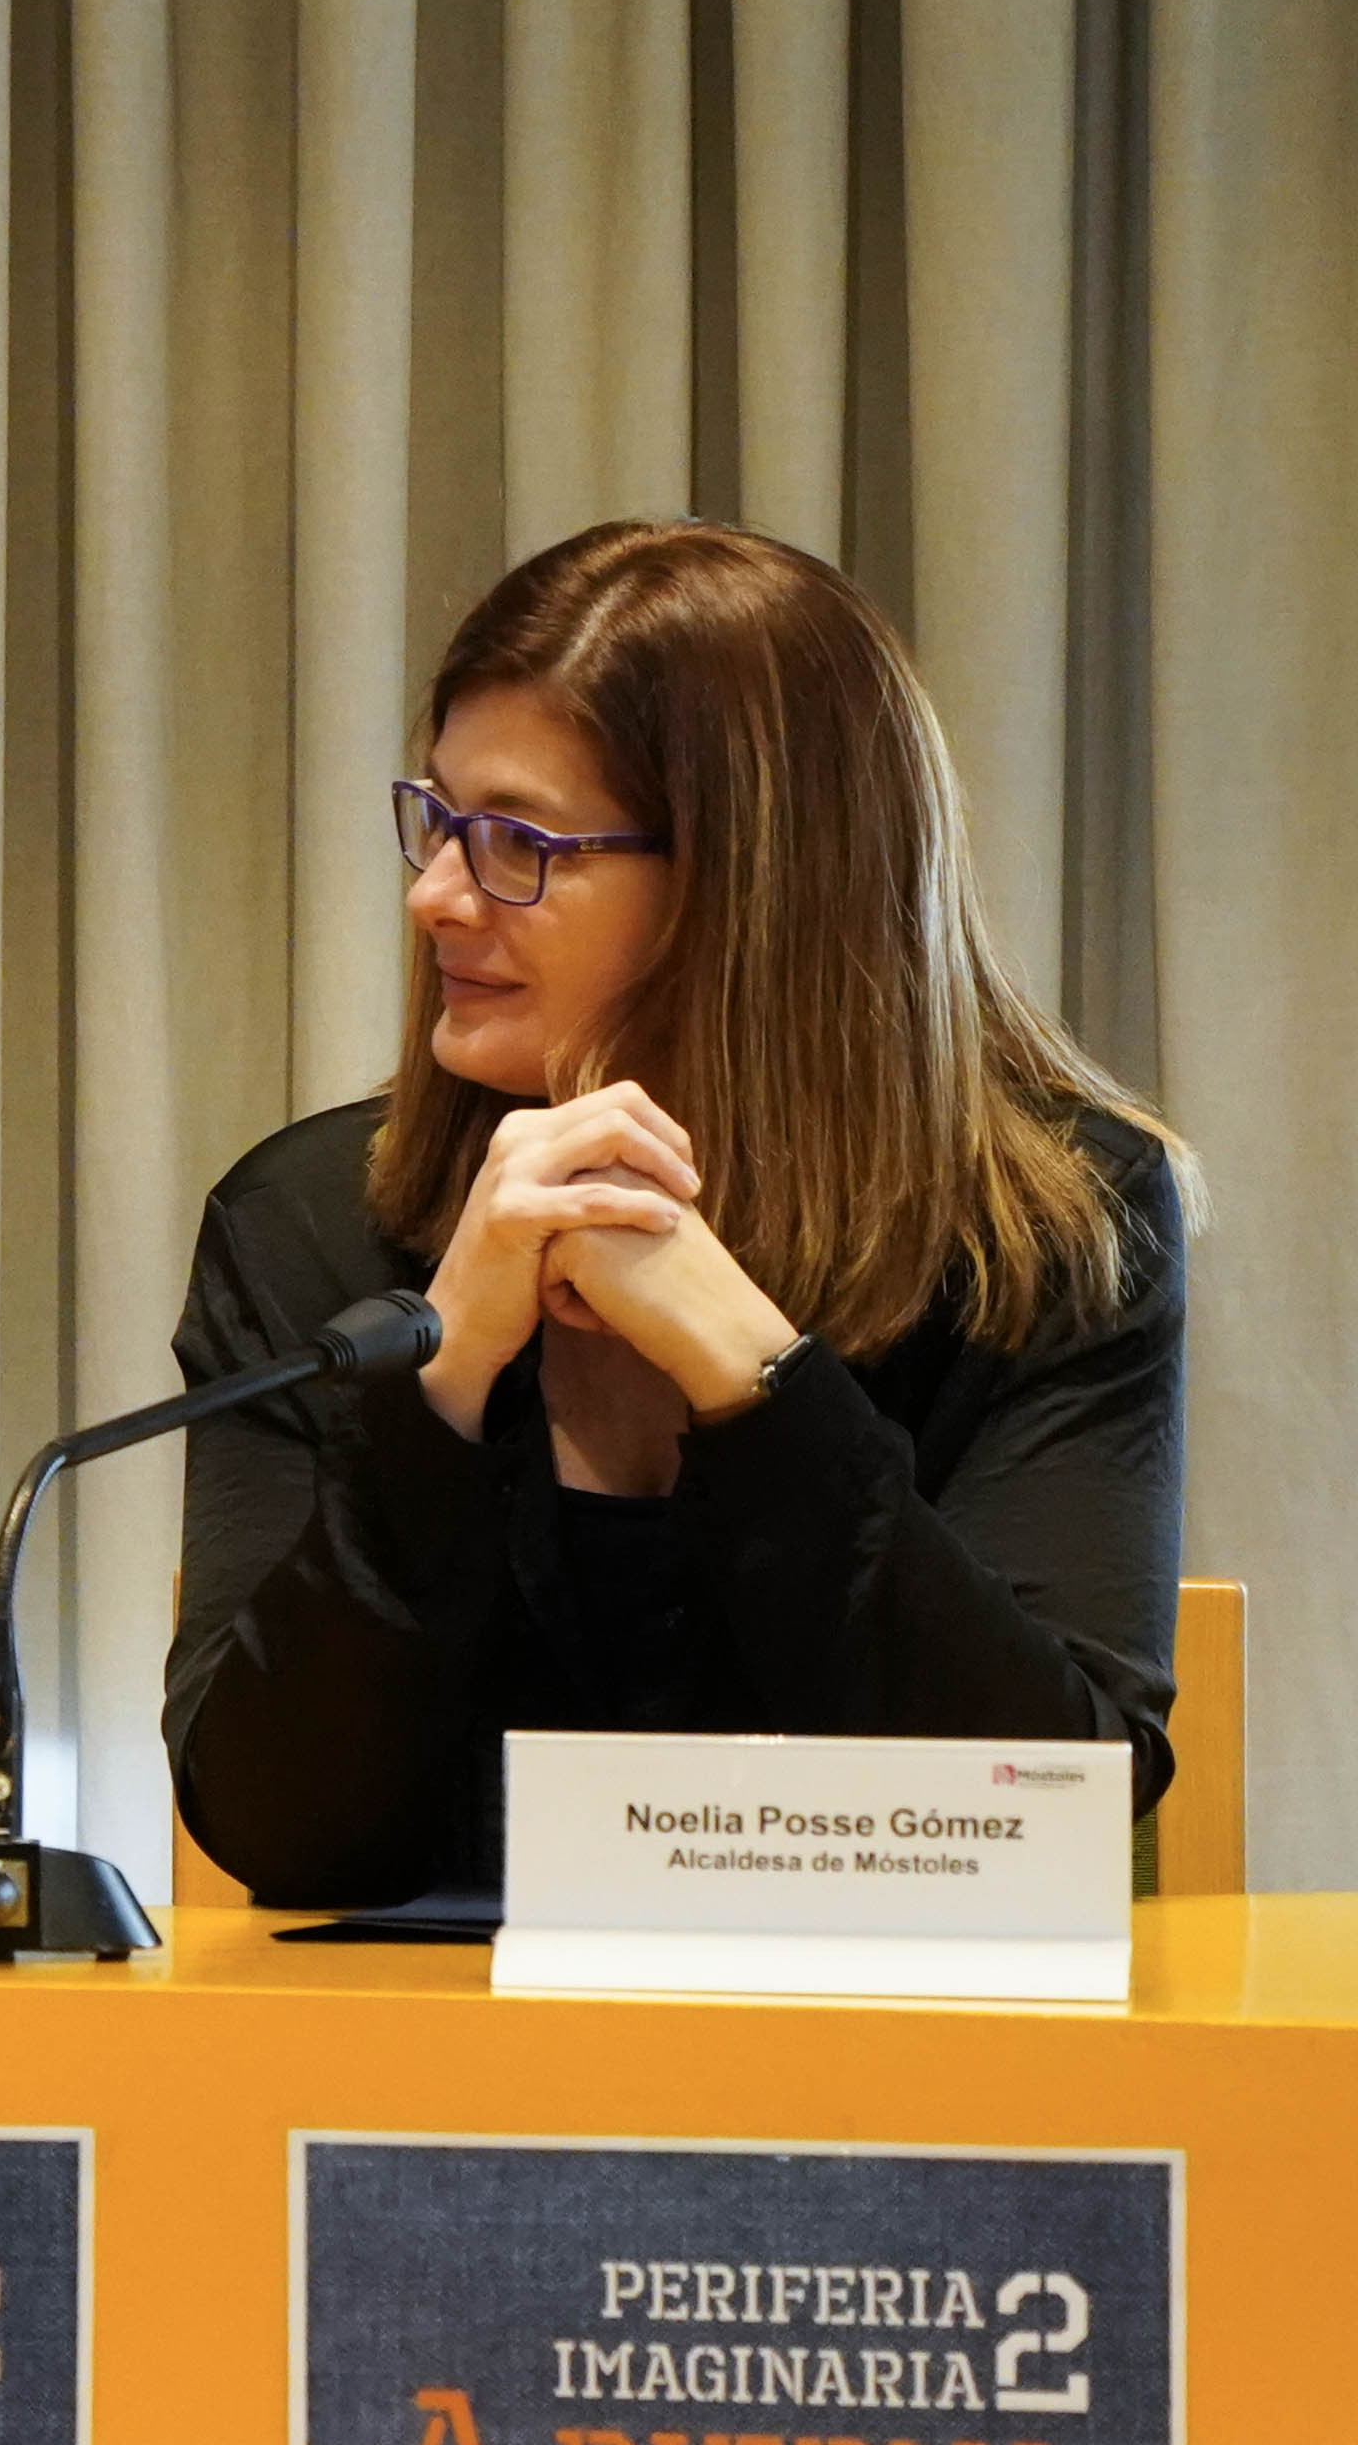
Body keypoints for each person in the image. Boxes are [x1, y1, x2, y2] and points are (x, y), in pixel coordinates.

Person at [165, 520, 1189, 1907]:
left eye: (516, 841)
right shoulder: (302, 1225)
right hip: (428, 2041)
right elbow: (279, 1833)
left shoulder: (1057, 1229)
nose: (436, 896)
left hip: (886, 2029)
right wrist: (439, 1380)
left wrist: (753, 1373)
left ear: (752, 880)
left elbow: (1047, 1814)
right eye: (439, 822)